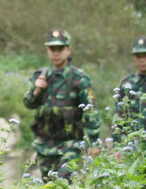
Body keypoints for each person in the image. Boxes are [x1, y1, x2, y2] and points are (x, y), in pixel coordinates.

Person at [22, 29, 101, 180]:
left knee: (64, 183)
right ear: (47, 50)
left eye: (60, 49)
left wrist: (93, 141)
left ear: (68, 50)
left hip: (69, 144)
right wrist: (36, 90)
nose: (56, 53)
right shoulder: (40, 75)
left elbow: (91, 111)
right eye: (52, 49)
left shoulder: (79, 78)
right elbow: (28, 104)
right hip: (44, 145)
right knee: (48, 187)